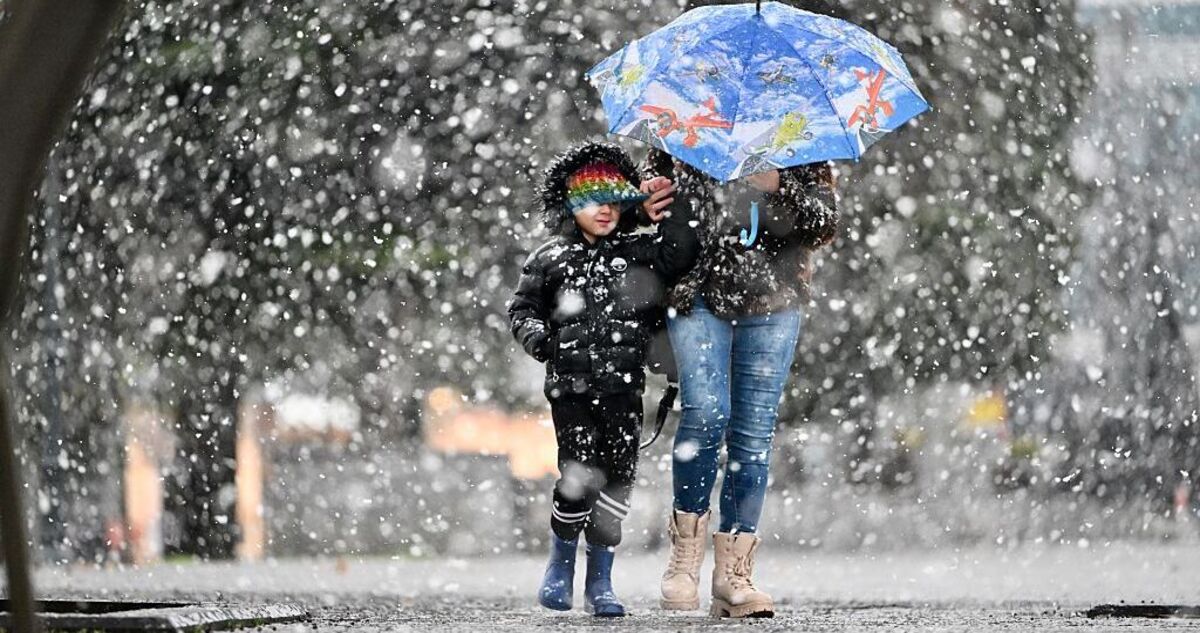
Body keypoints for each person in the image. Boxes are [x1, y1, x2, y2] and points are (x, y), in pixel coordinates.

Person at [641, 148, 839, 618]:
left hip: (774, 297)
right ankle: (684, 559)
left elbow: (825, 222)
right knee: (707, 412)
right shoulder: (687, 123)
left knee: (752, 434)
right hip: (697, 291)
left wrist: (779, 185)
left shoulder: (802, 137)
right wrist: (644, 200)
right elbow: (651, 189)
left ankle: (734, 575)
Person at [508, 142, 699, 617]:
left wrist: (655, 202)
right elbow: (522, 309)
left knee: (617, 480)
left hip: (623, 387)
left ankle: (600, 580)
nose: (606, 211)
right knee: (577, 475)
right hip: (570, 388)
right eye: (595, 201)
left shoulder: (636, 251)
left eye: (616, 201)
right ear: (571, 204)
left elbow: (680, 251)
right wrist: (540, 341)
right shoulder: (550, 258)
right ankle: (560, 562)